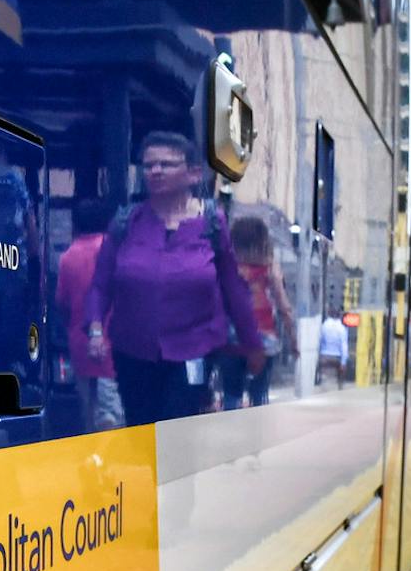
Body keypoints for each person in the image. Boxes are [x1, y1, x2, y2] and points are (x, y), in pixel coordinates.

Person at [86, 130, 259, 422]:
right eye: (148, 165)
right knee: (141, 432)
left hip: (193, 349)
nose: (155, 171)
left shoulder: (212, 224)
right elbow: (100, 285)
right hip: (133, 352)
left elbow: (233, 288)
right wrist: (94, 330)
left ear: (192, 173)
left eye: (166, 164)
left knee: (177, 428)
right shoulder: (126, 222)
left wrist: (251, 344)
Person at [56, 198, 122, 427]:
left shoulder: (67, 257)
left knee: (89, 409)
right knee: (112, 408)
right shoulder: (114, 250)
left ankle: (95, 456)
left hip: (80, 342)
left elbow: (62, 303)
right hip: (113, 341)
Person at [217, 216, 294, 408]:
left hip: (231, 337)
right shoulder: (270, 270)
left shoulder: (228, 267)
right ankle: (258, 432)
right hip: (264, 340)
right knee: (259, 395)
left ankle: (230, 430)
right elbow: (284, 307)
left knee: (231, 395)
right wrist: (294, 341)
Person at [317, 313, 348, 385]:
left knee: (319, 368)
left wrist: (319, 356)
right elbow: (344, 347)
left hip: (324, 356)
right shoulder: (342, 328)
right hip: (337, 358)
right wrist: (343, 363)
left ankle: (319, 381)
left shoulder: (324, 325)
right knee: (343, 370)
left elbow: (320, 341)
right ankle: (340, 386)